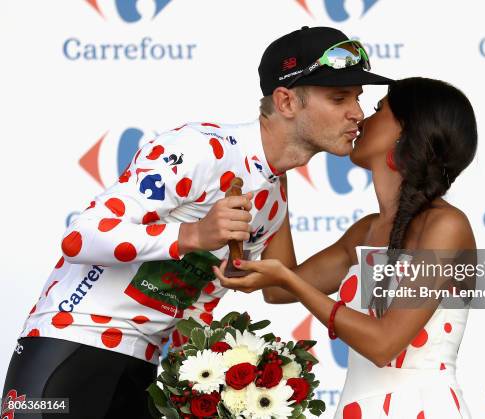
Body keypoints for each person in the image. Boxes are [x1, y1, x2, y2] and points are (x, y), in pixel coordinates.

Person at [2, 26, 392, 418]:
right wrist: (192, 234)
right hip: (72, 344)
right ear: (287, 101)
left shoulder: (275, 195)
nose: (357, 113)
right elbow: (80, 238)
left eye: (358, 98)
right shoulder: (202, 149)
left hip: (147, 369)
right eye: (339, 98)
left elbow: (254, 287)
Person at [214, 77, 478, 418]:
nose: (361, 119)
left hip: (421, 408)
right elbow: (278, 289)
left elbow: (384, 344)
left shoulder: (446, 226)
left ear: (405, 132)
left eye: (380, 109)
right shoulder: (366, 231)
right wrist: (276, 172)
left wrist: (289, 281)